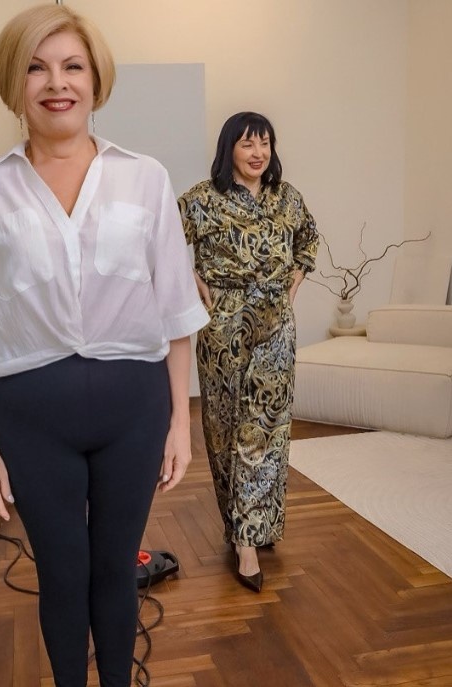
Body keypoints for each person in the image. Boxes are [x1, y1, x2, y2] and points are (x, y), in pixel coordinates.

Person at [0, 5, 209, 686]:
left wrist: (180, 421)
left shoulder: (144, 178)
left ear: (95, 79)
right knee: (61, 572)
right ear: (13, 83)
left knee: (115, 569)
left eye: (72, 66)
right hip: (29, 418)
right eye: (37, 67)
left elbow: (176, 311)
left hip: (133, 410)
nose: (57, 83)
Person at [178, 112, 318, 593]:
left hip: (276, 326)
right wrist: (191, 279)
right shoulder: (202, 198)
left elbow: (308, 241)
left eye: (265, 143)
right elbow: (160, 243)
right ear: (228, 149)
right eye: (247, 144)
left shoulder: (287, 197)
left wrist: (293, 283)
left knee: (265, 427)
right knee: (223, 429)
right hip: (223, 325)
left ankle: (249, 540)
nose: (258, 153)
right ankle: (242, 523)